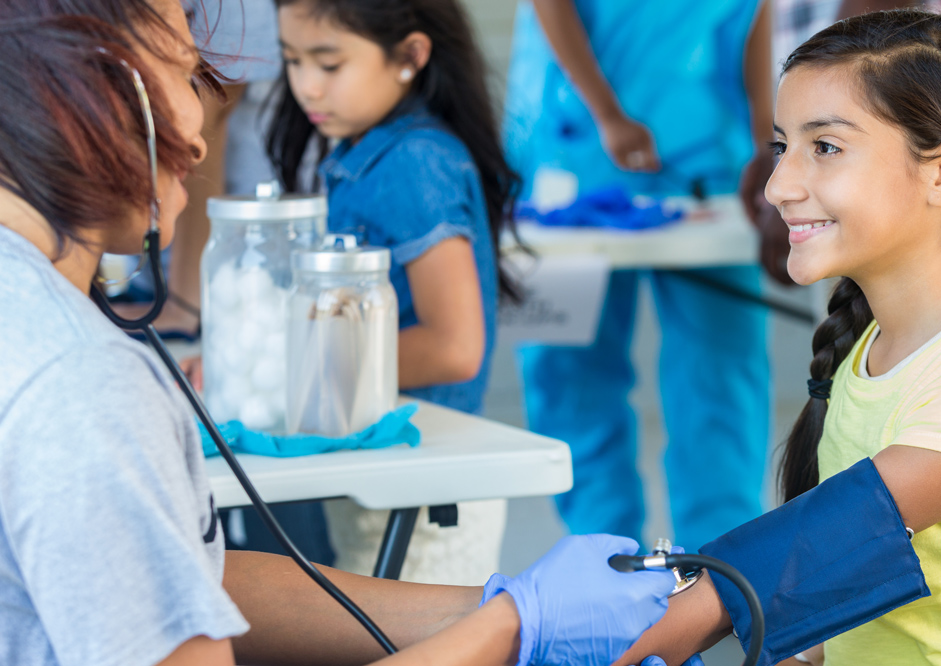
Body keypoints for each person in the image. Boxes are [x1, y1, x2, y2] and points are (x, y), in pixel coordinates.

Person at [0, 0, 691, 664]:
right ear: (102, 89)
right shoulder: (84, 382)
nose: (203, 127)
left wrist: (497, 608)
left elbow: (186, 583)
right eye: (190, 74)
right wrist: (516, 623)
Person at [598, 10, 941, 665]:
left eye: (824, 147)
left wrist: (517, 623)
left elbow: (782, 569)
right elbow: (831, 623)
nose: (777, 187)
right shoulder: (869, 354)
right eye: (781, 147)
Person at [504, 0, 776, 553]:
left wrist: (769, 142)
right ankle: (599, 559)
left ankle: (724, 567)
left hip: (705, 161)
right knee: (569, 375)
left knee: (722, 368)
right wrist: (606, 114)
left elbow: (753, 17)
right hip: (568, 156)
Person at [263, 0, 516, 584]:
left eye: (328, 64)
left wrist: (299, 363)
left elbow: (455, 348)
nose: (306, 87)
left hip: (426, 497)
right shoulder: (369, 150)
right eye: (292, 61)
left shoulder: (413, 163)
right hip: (388, 476)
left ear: (410, 56)